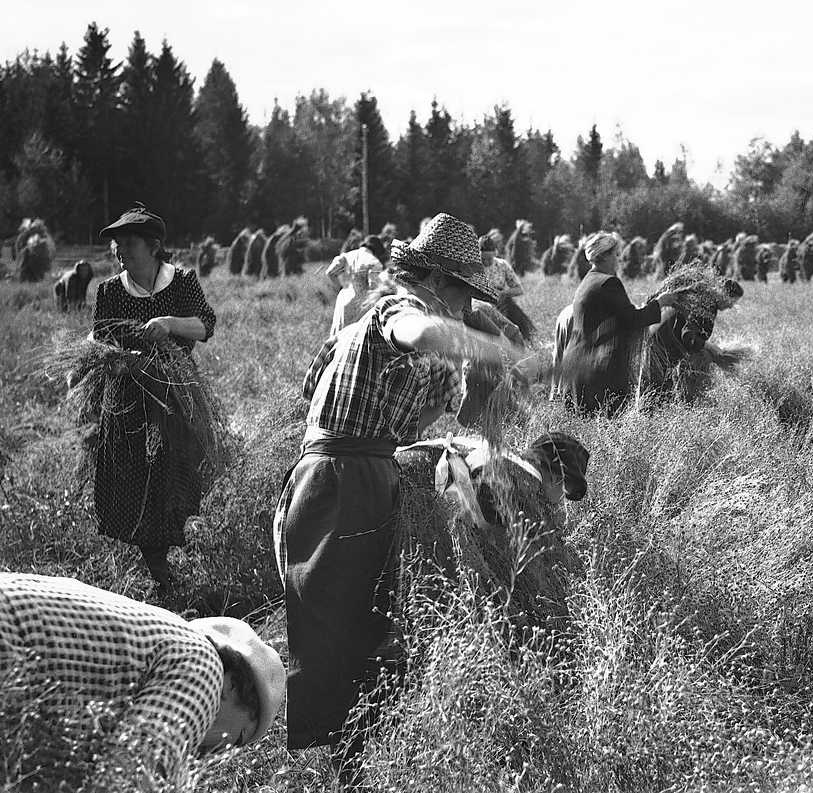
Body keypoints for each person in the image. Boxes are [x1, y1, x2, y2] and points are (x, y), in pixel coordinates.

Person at [274, 212, 530, 788]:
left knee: (356, 618)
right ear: (436, 281)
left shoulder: (359, 326)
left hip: (342, 471)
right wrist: (496, 349)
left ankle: (352, 755)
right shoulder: (400, 308)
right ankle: (345, 762)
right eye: (463, 294)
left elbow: (322, 390)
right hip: (344, 478)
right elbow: (422, 333)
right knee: (344, 624)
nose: (465, 308)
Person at [0, 572, 285, 790]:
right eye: (238, 738)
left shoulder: (173, 641)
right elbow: (126, 779)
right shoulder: (206, 671)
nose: (220, 753)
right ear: (233, 685)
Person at [91, 203, 218, 592]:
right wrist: (119, 360)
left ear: (154, 246)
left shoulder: (181, 282)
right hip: (129, 399)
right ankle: (160, 574)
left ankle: (189, 560)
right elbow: (99, 342)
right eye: (117, 244)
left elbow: (205, 325)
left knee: (180, 473)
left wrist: (168, 323)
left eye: (129, 243)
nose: (120, 250)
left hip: (176, 394)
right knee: (135, 477)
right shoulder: (110, 291)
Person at [560, 232, 677, 415]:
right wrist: (660, 303)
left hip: (577, 365)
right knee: (605, 423)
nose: (619, 260)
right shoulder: (609, 283)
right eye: (615, 255)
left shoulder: (588, 280)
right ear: (605, 256)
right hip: (598, 369)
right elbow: (632, 319)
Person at [479, 234, 535, 343]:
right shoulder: (473, 266)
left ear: (495, 253)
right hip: (479, 302)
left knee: (516, 325)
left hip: (501, 302)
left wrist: (502, 293)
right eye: (483, 259)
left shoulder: (502, 265)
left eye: (489, 259)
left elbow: (519, 290)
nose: (486, 262)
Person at [326, 234, 387, 334]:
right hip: (360, 305)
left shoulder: (347, 256)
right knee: (353, 336)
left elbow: (330, 272)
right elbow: (374, 287)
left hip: (342, 300)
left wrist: (341, 287)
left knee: (338, 335)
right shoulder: (373, 261)